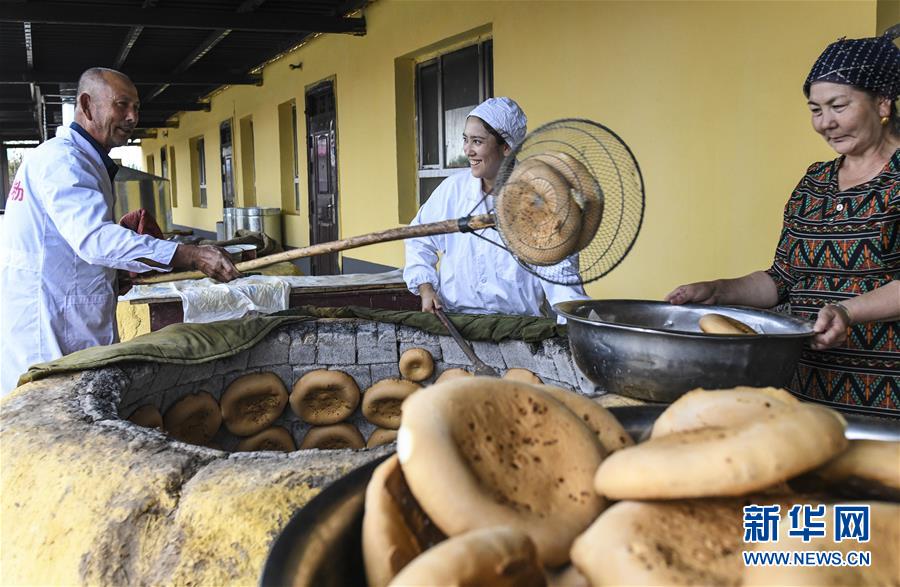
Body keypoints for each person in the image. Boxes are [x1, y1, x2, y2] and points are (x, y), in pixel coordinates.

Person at [666, 32, 900, 413]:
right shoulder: (814, 182)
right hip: (806, 386)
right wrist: (718, 290)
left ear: (882, 102)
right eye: (815, 109)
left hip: (888, 395)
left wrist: (847, 312)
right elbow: (783, 278)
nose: (826, 123)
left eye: (838, 106)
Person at [0, 67, 242, 396]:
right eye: (121, 105)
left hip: (65, 315)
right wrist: (189, 254)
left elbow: (66, 246)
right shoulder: (64, 161)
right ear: (86, 106)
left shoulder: (79, 160)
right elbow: (93, 240)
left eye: (137, 107)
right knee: (64, 418)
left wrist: (110, 274)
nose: (132, 117)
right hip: (51, 329)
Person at [403, 97, 589, 323]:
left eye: (477, 142)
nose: (467, 150)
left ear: (507, 147)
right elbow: (419, 239)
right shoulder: (453, 190)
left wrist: (573, 324)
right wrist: (426, 288)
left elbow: (561, 276)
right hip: (454, 321)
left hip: (517, 329)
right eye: (465, 139)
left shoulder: (541, 201)